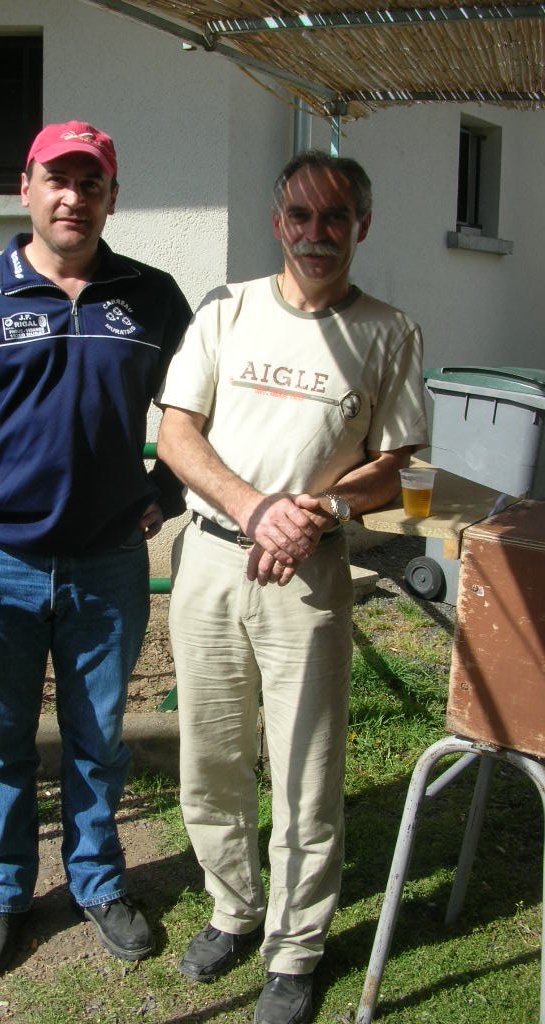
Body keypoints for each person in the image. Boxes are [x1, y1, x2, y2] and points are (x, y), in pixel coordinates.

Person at [0, 120, 191, 981]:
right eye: (58, 180)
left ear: (112, 198)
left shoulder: (152, 298)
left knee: (100, 741)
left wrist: (164, 492)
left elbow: (202, 409)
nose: (73, 198)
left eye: (91, 184)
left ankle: (97, 882)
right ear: (25, 188)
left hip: (108, 565)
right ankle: (6, 891)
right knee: (0, 744)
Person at [156, 151, 428, 1024]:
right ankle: (233, 909)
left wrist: (317, 512)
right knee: (211, 756)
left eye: (335, 217)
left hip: (308, 572)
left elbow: (394, 464)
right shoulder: (226, 310)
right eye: (301, 216)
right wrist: (254, 507)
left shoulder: (389, 332)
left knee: (307, 769)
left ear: (361, 226)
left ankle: (296, 948)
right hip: (210, 559)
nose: (317, 233)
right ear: (279, 223)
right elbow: (176, 434)